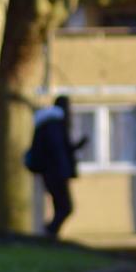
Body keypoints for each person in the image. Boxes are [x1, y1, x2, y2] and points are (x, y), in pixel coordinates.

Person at [27, 95, 87, 239]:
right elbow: (56, 150)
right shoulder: (54, 125)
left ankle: (51, 233)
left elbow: (61, 148)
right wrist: (63, 169)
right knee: (65, 207)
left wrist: (77, 146)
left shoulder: (51, 124)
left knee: (61, 207)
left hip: (53, 173)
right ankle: (50, 232)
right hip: (56, 174)